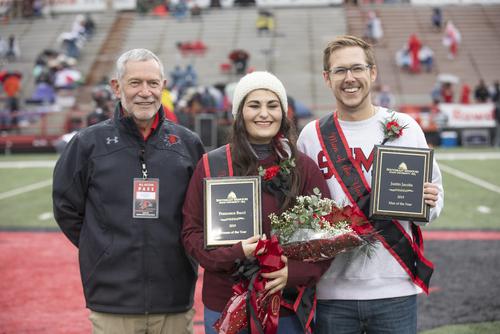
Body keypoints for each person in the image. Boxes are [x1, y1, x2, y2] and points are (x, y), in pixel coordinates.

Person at [297, 35, 444, 334]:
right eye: (339, 71)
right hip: (331, 291)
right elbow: (300, 210)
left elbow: (436, 196)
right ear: (327, 78)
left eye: (357, 69)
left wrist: (429, 203)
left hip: (395, 287)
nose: (349, 78)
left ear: (372, 73)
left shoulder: (405, 127)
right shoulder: (311, 135)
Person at [52, 48, 205, 334]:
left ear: (163, 86)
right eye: (135, 83)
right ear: (116, 86)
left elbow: (200, 213)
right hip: (112, 300)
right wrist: (103, 247)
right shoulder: (88, 144)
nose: (145, 92)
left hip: (173, 298)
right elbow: (66, 208)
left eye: (153, 83)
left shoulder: (187, 144)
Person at [181, 71, 332, 334]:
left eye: (272, 105)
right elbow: (191, 233)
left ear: (283, 113)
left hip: (287, 305)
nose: (264, 113)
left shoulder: (302, 166)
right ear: (239, 113)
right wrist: (236, 252)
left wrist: (292, 273)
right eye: (254, 105)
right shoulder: (212, 164)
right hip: (226, 303)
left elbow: (328, 236)